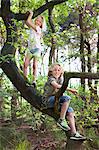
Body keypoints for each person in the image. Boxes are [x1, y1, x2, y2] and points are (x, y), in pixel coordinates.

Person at [42, 63, 86, 140]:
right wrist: (70, 89)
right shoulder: (51, 79)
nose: (57, 71)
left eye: (59, 70)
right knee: (67, 98)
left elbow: (61, 90)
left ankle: (74, 133)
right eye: (55, 70)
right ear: (51, 71)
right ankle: (61, 120)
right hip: (48, 101)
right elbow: (57, 86)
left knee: (70, 111)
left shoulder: (60, 79)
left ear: (61, 72)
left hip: (56, 100)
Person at [23, 11, 46, 87]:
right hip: (30, 49)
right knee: (25, 64)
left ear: (41, 24)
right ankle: (25, 78)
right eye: (36, 20)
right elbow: (27, 22)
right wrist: (27, 15)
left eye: (40, 21)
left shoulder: (38, 29)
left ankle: (34, 80)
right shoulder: (32, 27)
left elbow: (28, 21)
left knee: (34, 65)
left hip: (37, 49)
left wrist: (31, 14)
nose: (37, 22)